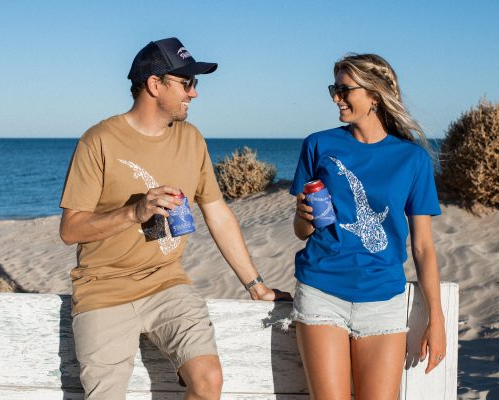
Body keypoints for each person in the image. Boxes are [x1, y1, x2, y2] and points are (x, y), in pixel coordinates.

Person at [59, 37, 290, 400]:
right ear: (155, 84)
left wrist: (255, 284)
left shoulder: (192, 139)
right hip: (103, 290)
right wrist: (134, 212)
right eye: (187, 83)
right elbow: (71, 229)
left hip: (168, 285)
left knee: (208, 379)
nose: (194, 93)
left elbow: (217, 213)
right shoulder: (99, 140)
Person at [290, 53, 446, 400]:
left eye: (344, 90)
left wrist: (437, 319)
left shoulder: (413, 159)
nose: (336, 97)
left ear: (374, 95)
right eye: (334, 89)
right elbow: (302, 231)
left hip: (383, 299)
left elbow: (422, 246)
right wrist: (304, 218)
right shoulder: (318, 144)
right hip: (322, 292)